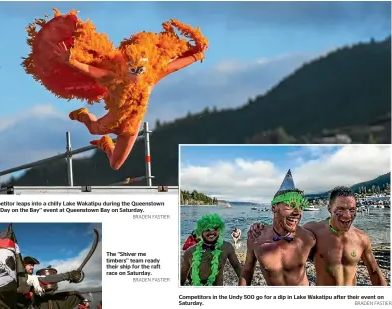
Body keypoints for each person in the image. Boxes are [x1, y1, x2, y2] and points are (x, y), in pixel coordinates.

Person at [24, 11, 209, 171]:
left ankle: (106, 144)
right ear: (126, 66)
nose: (136, 74)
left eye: (140, 70)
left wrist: (198, 54)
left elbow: (174, 66)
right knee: (93, 129)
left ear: (146, 68)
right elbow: (90, 70)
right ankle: (83, 115)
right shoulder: (113, 77)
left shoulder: (152, 77)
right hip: (111, 122)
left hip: (130, 128)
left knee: (116, 165)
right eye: (133, 69)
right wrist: (71, 61)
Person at [248, 186, 387, 286]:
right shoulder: (314, 231)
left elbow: (374, 272)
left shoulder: (361, 238)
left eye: (352, 210)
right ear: (329, 209)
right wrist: (261, 226)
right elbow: (287, 232)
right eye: (340, 209)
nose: (347, 215)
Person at [239, 170, 316, 286]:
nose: (297, 212)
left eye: (300, 207)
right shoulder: (256, 237)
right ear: (274, 207)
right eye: (291, 205)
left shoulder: (307, 238)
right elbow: (247, 271)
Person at [180, 214, 242, 286]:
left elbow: (237, 267)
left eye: (215, 229)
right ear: (201, 231)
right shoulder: (190, 252)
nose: (212, 232)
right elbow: (183, 276)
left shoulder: (226, 247)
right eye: (207, 229)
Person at [17, 256, 84, 308]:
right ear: (23, 266)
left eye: (33, 265)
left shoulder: (32, 280)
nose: (32, 267)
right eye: (29, 265)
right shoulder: (20, 278)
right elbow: (46, 279)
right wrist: (68, 275)